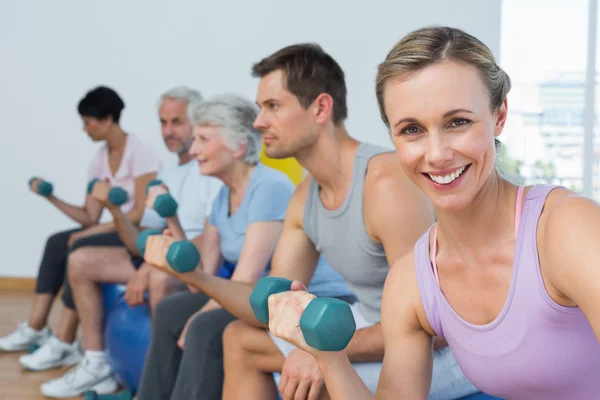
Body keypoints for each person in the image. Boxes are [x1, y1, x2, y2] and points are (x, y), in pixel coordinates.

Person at [266, 26, 600, 400]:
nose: (437, 154)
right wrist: (327, 356)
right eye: (412, 130)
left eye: (458, 122)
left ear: (499, 115)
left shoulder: (567, 230)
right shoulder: (412, 280)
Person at [144, 43, 476, 400]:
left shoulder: (385, 183)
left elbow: (430, 324)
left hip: (450, 349)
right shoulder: (304, 198)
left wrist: (328, 353)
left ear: (320, 107)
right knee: (238, 338)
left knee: (317, 379)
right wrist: (192, 275)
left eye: (272, 106)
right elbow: (268, 306)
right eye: (260, 109)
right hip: (376, 325)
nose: (258, 123)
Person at [134, 93, 329, 400]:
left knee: (203, 326)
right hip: (255, 299)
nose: (194, 149)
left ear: (238, 146)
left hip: (303, 300)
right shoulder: (223, 195)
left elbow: (247, 279)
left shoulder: (269, 187)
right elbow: (201, 278)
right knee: (172, 309)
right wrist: (171, 217)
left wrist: (196, 318)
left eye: (203, 139)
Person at [35, 86, 223, 398]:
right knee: (79, 260)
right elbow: (138, 242)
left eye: (177, 122)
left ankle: (165, 383)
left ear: (199, 123)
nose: (168, 131)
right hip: (165, 255)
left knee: (160, 277)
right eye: (163, 123)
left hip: (194, 264)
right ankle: (96, 363)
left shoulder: (210, 172)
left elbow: (208, 239)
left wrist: (150, 267)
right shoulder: (171, 178)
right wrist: (113, 210)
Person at [0, 86, 160, 363]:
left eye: (88, 122)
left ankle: (65, 340)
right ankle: (36, 327)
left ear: (107, 119)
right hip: (113, 229)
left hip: (138, 233)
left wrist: (92, 232)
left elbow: (140, 212)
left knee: (81, 243)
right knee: (57, 241)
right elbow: (89, 216)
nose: (85, 129)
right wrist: (51, 197)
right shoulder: (100, 158)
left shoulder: (140, 151)